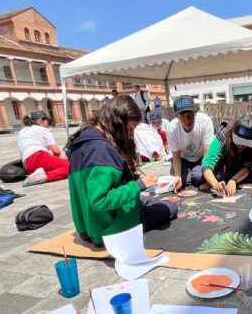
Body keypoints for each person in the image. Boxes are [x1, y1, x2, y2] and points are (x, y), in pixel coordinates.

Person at [67, 96, 178, 246]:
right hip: (108, 230)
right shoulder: (100, 150)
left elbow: (97, 186)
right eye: (131, 128)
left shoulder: (84, 139)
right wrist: (137, 185)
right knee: (170, 207)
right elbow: (99, 200)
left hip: (89, 226)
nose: (131, 135)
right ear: (118, 122)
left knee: (151, 201)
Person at [201, 118, 252, 196]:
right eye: (239, 142)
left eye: (245, 144)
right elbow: (207, 163)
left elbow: (250, 165)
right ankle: (227, 180)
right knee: (199, 177)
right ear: (232, 134)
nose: (241, 146)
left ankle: (231, 180)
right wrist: (215, 184)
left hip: (243, 168)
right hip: (226, 166)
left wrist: (234, 180)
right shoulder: (223, 135)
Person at [167, 95, 214, 189]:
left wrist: (209, 181)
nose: (187, 120)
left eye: (190, 115)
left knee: (199, 178)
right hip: (182, 159)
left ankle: (191, 173)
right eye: (182, 116)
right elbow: (176, 157)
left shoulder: (205, 121)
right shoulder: (171, 128)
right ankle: (186, 175)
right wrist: (178, 177)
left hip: (200, 159)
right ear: (177, 116)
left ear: (195, 112)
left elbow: (207, 154)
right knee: (182, 181)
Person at [18, 111, 69, 187]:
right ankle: (44, 176)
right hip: (38, 157)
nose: (47, 123)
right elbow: (56, 152)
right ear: (40, 121)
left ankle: (38, 175)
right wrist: (55, 160)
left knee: (59, 166)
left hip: (28, 166)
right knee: (72, 166)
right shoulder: (42, 129)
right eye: (46, 121)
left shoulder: (23, 131)